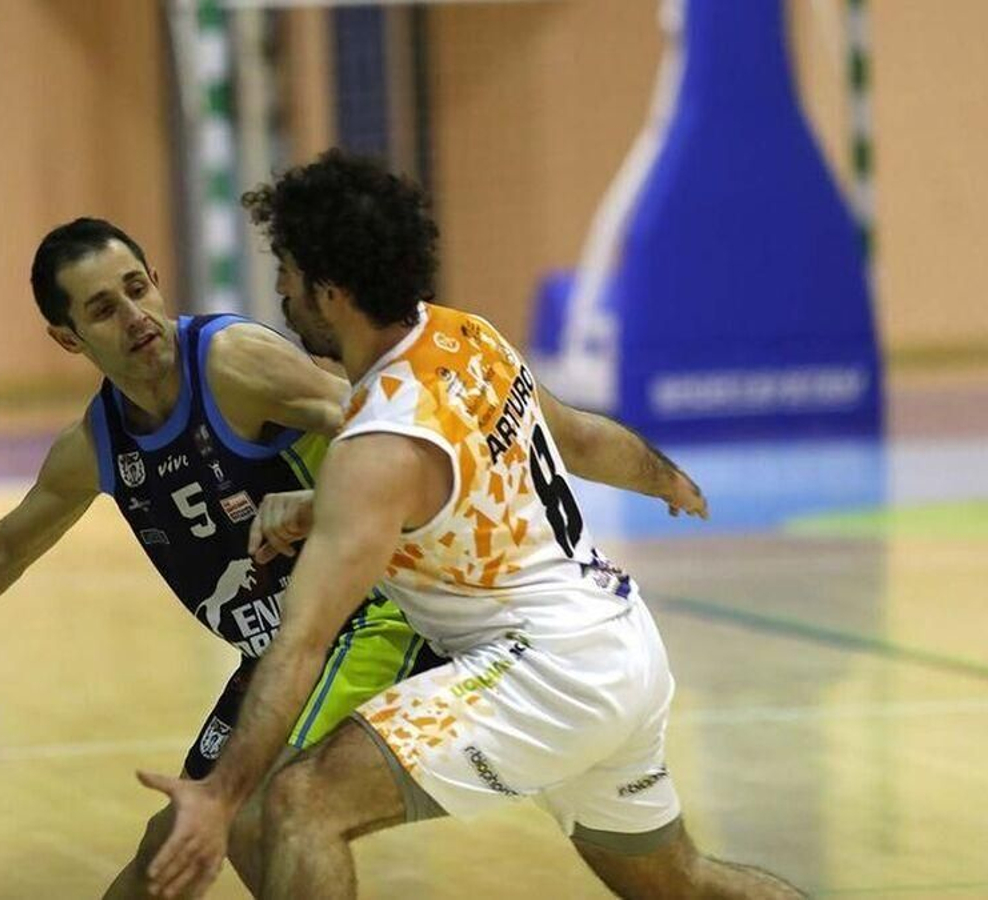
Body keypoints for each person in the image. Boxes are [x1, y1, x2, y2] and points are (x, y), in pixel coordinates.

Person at [140, 151, 806, 899]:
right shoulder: (466, 338)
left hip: (545, 672)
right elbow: (580, 440)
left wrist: (221, 794)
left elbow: (301, 643)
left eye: (288, 272)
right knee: (682, 883)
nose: (281, 292)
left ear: (330, 292)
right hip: (620, 639)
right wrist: (666, 477)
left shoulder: (377, 443)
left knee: (301, 804)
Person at [0, 217, 442, 898]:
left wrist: (318, 504)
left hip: (369, 613)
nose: (135, 315)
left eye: (137, 288)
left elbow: (398, 434)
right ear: (68, 338)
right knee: (173, 844)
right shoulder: (97, 445)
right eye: (103, 309)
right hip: (277, 652)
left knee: (253, 810)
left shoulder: (233, 364)